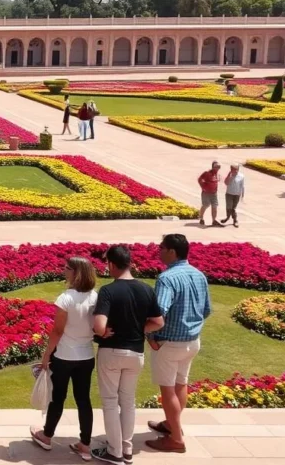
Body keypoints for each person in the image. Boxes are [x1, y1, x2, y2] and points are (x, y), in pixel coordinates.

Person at [91, 245, 164, 464]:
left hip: (112, 352)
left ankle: (114, 450)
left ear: (112, 264)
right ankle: (126, 447)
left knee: (111, 402)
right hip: (136, 353)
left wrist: (103, 332)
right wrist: (140, 328)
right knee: (128, 401)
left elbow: (98, 325)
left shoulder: (108, 290)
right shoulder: (145, 288)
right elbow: (158, 322)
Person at [146, 234, 211, 454]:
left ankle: (176, 438)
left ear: (172, 251)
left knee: (168, 391)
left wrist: (149, 336)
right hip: (192, 342)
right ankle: (172, 424)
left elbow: (159, 314)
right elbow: (207, 310)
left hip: (169, 343)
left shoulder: (167, 278)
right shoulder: (199, 275)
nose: (158, 250)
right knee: (180, 385)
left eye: (161, 247)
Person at [30, 257, 97, 461]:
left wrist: (46, 354)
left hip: (65, 355)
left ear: (75, 273)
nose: (63, 271)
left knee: (57, 397)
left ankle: (47, 435)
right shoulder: (95, 296)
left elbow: (57, 330)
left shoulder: (66, 298)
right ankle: (85, 444)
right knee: (83, 399)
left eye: (67, 268)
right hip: (86, 355)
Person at [197, 161, 222, 227]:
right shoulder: (207, 173)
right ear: (213, 167)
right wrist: (203, 187)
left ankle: (214, 220)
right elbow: (200, 179)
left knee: (215, 206)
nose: (218, 168)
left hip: (214, 193)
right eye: (216, 167)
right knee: (205, 205)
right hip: (206, 193)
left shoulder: (218, 175)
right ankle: (201, 218)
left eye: (219, 167)